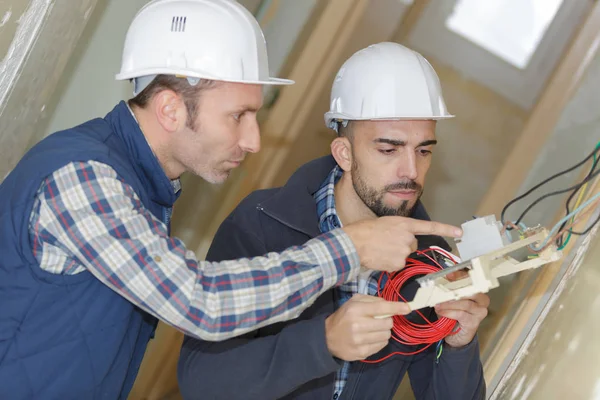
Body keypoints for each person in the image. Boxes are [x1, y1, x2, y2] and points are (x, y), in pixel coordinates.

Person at [0, 2, 464, 399]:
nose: (254, 139)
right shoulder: (82, 179)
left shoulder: (140, 187)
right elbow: (200, 302)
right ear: (170, 109)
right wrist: (350, 250)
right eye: (239, 116)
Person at [177, 42, 489, 400]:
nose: (411, 171)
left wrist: (457, 346)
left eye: (424, 151)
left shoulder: (428, 262)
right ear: (344, 153)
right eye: (388, 149)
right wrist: (322, 342)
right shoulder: (262, 224)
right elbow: (201, 381)